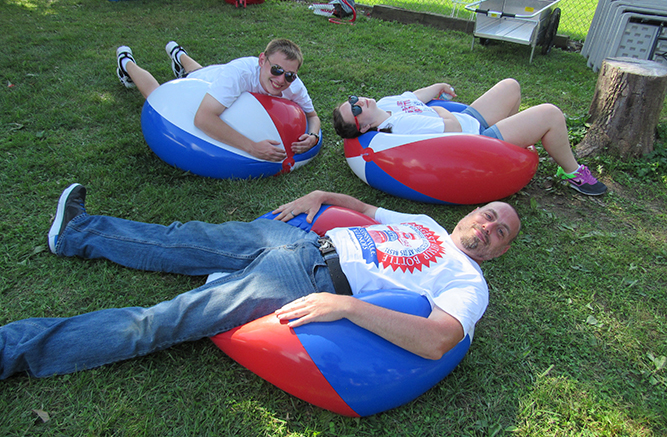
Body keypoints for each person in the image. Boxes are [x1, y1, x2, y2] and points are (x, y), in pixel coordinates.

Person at [0, 182, 521, 379]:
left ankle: (13, 349)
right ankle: (78, 233)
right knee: (179, 239)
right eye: (489, 216)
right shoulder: (427, 225)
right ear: (473, 212)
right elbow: (362, 208)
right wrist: (320, 196)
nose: (488, 229)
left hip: (309, 275)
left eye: (499, 234)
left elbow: (437, 339)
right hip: (294, 241)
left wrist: (347, 308)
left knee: (162, 321)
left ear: (496, 253)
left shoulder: (469, 281)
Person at [332, 78, 607, 196]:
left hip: (470, 120)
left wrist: (437, 88)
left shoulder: (386, 104)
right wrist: (439, 111)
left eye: (353, 99)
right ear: (364, 128)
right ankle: (573, 174)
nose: (360, 101)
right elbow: (452, 129)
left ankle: (519, 133)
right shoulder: (398, 125)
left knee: (510, 86)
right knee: (550, 113)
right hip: (479, 141)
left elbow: (414, 97)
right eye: (356, 109)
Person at [115, 38, 321, 162]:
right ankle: (126, 62)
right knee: (158, 95)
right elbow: (203, 118)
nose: (280, 79)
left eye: (289, 75)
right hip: (200, 85)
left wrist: (312, 136)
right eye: (276, 70)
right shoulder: (239, 74)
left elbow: (312, 116)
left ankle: (178, 55)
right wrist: (252, 147)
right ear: (261, 60)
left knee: (199, 70)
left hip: (212, 74)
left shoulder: (293, 84)